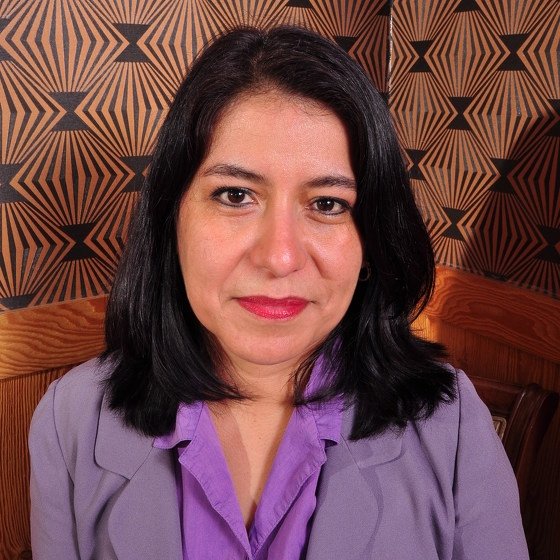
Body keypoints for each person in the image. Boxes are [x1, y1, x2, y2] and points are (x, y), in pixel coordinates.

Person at [29, 25, 529, 560]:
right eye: (235, 195)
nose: (280, 257)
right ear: (171, 218)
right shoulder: (71, 421)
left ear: (372, 239)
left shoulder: (453, 426)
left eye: (328, 204)